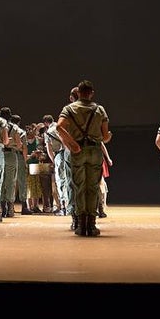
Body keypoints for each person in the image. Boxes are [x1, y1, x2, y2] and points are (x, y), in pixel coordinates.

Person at [56, 80, 112, 238]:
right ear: (91, 93)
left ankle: (81, 225)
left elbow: (59, 127)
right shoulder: (99, 109)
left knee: (79, 186)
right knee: (93, 187)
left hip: (78, 151)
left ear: (78, 93)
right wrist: (106, 138)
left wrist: (73, 144)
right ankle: (92, 224)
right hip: (94, 150)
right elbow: (105, 136)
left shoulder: (69, 109)